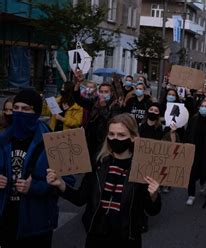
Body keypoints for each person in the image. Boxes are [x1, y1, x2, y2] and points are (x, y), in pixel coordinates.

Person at [46, 114, 161, 248]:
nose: (115, 138)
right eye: (111, 134)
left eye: (121, 135)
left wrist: (154, 195)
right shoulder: (98, 163)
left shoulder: (142, 168)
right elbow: (80, 198)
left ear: (133, 137)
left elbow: (152, 210)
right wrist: (61, 185)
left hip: (127, 238)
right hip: (97, 235)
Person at [0, 89, 74, 247]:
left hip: (37, 223)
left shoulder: (57, 141)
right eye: (16, 108)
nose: (19, 113)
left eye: (26, 109)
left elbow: (68, 182)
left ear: (36, 112)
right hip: (5, 218)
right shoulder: (3, 138)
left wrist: (35, 187)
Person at [73, 70, 122, 159]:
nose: (103, 94)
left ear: (111, 93)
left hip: (104, 142)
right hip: (91, 140)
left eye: (106, 92)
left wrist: (103, 108)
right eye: (101, 92)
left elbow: (111, 122)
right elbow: (79, 99)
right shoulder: (95, 101)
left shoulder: (115, 106)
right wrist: (78, 84)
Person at [185, 100, 206, 206]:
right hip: (193, 150)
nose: (203, 108)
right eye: (202, 106)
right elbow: (188, 133)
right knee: (192, 173)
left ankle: (203, 183)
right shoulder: (193, 119)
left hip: (205, 152)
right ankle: (191, 195)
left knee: (205, 172)